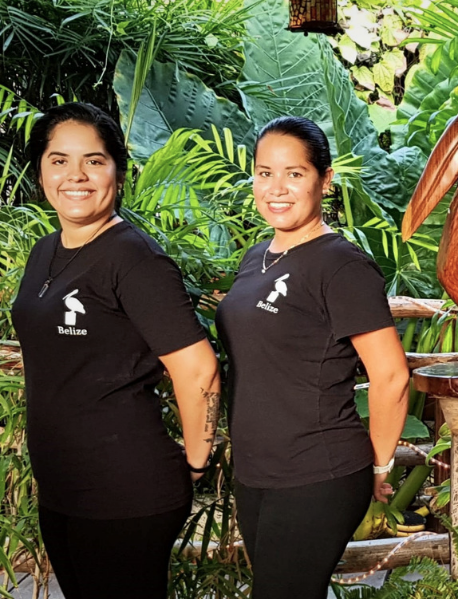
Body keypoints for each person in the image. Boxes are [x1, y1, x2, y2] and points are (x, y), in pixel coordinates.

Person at [10, 103, 220, 599]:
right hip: (63, 485)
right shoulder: (46, 250)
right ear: (40, 171)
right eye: (59, 160)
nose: (75, 176)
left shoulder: (134, 259)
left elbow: (199, 370)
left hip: (124, 490)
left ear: (119, 174)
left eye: (94, 161)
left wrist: (195, 461)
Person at [214, 116, 409, 599]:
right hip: (258, 473)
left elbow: (391, 375)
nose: (276, 188)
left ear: (325, 180)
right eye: (264, 173)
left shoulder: (340, 265)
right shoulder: (256, 256)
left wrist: (381, 465)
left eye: (294, 174)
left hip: (316, 473)